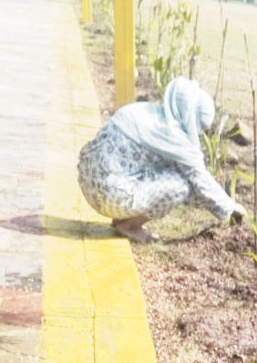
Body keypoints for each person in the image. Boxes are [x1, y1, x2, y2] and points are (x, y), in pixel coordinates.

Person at [78, 77, 245, 242]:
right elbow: (200, 180)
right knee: (181, 186)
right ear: (190, 119)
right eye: (199, 126)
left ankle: (123, 217)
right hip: (108, 195)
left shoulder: (143, 111)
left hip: (88, 182)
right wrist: (230, 208)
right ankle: (130, 226)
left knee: (167, 170)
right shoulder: (174, 136)